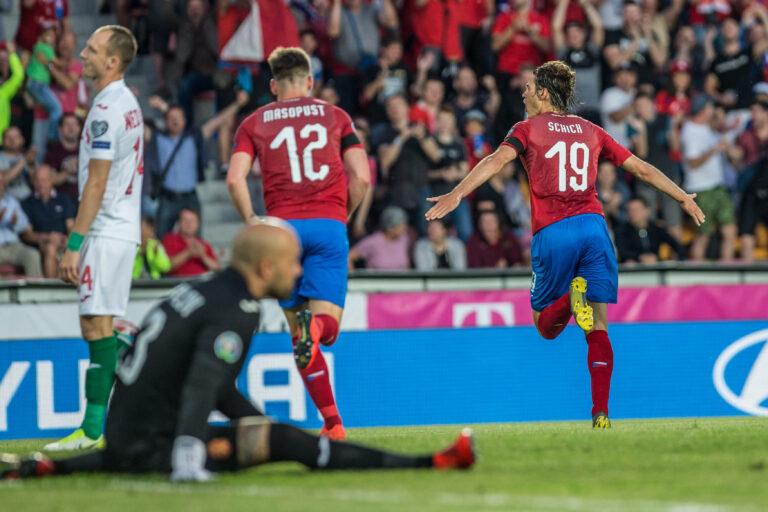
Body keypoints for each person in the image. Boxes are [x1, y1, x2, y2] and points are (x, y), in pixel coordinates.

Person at [0, 221, 475, 481]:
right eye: (292, 264)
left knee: (272, 434)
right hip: (156, 444)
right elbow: (203, 384)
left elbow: (216, 386)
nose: (298, 274)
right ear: (266, 266)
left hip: (130, 431)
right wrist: (188, 454)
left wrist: (258, 424)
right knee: (290, 443)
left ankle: (41, 469)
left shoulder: (208, 287)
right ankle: (429, 463)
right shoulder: (240, 309)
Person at [426, 61, 705, 428]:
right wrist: (682, 195)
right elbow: (641, 168)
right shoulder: (591, 129)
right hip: (593, 228)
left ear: (543, 92)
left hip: (553, 232)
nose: (523, 93)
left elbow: (495, 161)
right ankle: (600, 411)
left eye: (527, 87)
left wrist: (458, 193)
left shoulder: (526, 129)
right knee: (599, 325)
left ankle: (570, 300)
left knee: (545, 325)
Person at [226, 46, 371, 441]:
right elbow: (362, 178)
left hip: (281, 231)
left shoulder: (253, 122)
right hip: (326, 223)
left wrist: (254, 224)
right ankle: (333, 422)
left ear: (273, 85)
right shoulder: (337, 116)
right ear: (310, 82)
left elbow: (235, 179)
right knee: (326, 330)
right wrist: (339, 216)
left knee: (299, 333)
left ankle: (333, 423)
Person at [47, 25, 143, 451]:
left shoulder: (105, 109)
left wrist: (73, 244)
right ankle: (125, 347)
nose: (82, 54)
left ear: (112, 62)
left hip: (106, 230)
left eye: (92, 49)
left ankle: (90, 431)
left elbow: (97, 183)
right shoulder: (125, 100)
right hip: (120, 228)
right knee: (98, 326)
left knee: (94, 325)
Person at [145, 90, 249, 238]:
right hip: (167, 198)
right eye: (171, 118)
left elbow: (217, 121)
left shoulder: (194, 137)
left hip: (190, 197)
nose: (175, 121)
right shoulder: (157, 138)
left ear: (185, 121)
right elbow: (140, 129)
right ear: (166, 121)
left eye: (179, 118)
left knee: (196, 239)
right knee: (161, 240)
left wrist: (238, 104)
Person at [679, 95, 736, 261]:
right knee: (703, 235)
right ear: (703, 110)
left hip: (717, 186)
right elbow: (693, 162)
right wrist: (715, 149)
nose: (714, 110)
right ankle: (697, 278)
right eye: (711, 107)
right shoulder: (690, 131)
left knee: (730, 230)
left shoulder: (707, 128)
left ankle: (729, 275)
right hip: (700, 189)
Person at [21, 164, 75, 278]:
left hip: (64, 240)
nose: (41, 184)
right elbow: (27, 235)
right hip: (41, 243)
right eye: (38, 180)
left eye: (44, 180)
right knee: (51, 248)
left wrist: (68, 241)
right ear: (33, 182)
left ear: (52, 180)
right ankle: (53, 289)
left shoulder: (64, 199)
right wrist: (48, 237)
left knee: (75, 247)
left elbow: (71, 226)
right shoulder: (27, 203)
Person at [615, 197, 685, 263]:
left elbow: (678, 246)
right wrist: (640, 257)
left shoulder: (656, 229)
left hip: (655, 267)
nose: (632, 213)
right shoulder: (622, 231)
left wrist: (672, 260)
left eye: (636, 210)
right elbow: (622, 252)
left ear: (647, 211)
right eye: (630, 210)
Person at [26, 25, 63, 142]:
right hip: (38, 83)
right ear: (41, 36)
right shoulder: (45, 48)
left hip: (33, 83)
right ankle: (52, 137)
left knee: (53, 109)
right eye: (48, 34)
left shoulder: (37, 47)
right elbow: (57, 63)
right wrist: (70, 63)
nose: (51, 37)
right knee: (57, 109)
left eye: (53, 35)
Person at [0, 177, 42, 276]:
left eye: (2, 182)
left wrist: (15, 223)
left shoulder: (12, 201)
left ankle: (34, 290)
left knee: (32, 255)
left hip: (14, 246)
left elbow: (26, 227)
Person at [161, 207, 220, 277]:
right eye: (185, 220)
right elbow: (165, 267)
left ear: (198, 224)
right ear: (179, 223)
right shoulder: (169, 239)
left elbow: (217, 268)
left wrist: (203, 256)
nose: (189, 224)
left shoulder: (204, 244)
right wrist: (188, 252)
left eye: (192, 221)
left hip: (201, 283)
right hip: (178, 283)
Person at [349, 205, 410, 270]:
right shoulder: (373, 241)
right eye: (401, 225)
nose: (404, 228)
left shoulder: (404, 239)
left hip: (401, 280)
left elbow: (406, 264)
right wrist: (354, 277)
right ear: (390, 228)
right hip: (376, 280)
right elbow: (348, 257)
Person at [43, 113, 81, 202]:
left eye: (74, 124)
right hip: (61, 200)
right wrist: (67, 171)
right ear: (60, 129)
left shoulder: (87, 150)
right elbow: (51, 180)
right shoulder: (53, 151)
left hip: (84, 198)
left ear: (80, 128)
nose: (71, 128)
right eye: (67, 124)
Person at [0, 125, 36, 200]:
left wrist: (32, 165)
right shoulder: (1, 158)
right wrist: (24, 161)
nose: (12, 140)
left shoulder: (28, 157)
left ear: (22, 140)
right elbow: (3, 180)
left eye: (15, 137)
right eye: (8, 137)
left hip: (29, 200)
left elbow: (35, 183)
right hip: (8, 202)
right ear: (3, 141)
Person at [0, 41, 24, 142]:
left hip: (3, 143)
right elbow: (18, 76)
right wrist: (12, 54)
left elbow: (18, 76)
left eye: (5, 61)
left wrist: (12, 55)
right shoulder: (3, 93)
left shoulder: (2, 92)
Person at [133, 215, 170, 279]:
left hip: (153, 283)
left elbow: (166, 267)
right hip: (134, 282)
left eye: (144, 228)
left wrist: (156, 254)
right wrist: (139, 255)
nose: (141, 231)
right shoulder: (132, 245)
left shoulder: (155, 245)